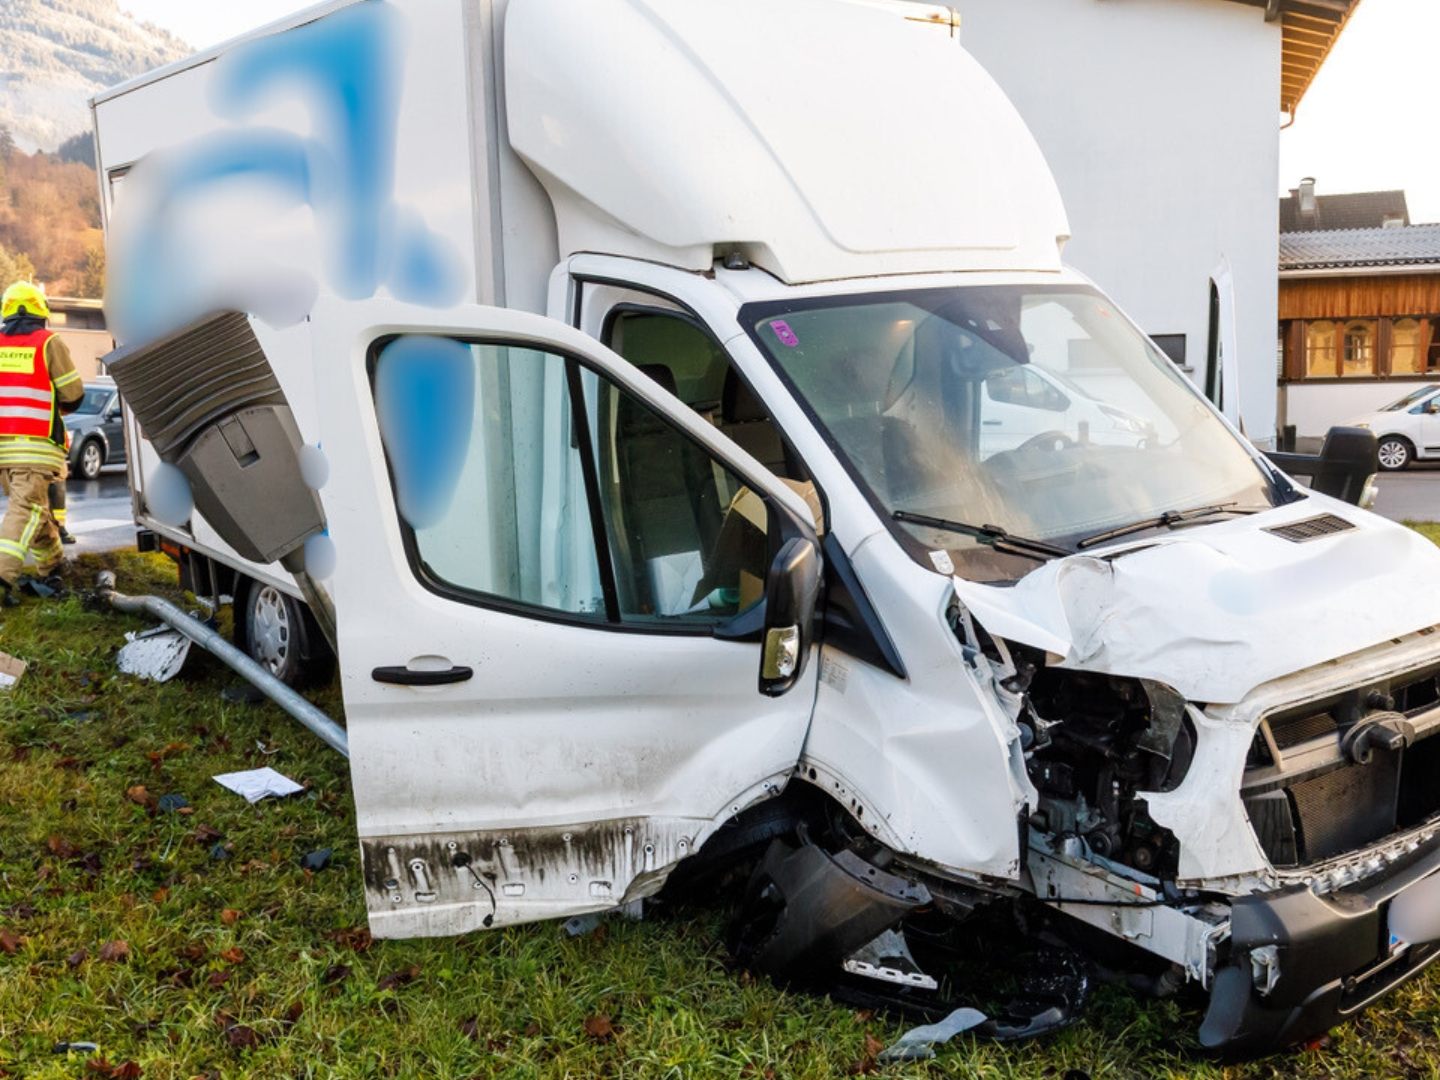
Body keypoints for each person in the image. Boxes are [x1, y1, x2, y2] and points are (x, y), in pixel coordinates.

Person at [0, 281, 83, 604]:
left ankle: (52, 567)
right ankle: (3, 577)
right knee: (27, 509)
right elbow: (73, 395)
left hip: (3, 450)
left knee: (37, 510)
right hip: (34, 448)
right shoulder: (49, 343)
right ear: (41, 312)